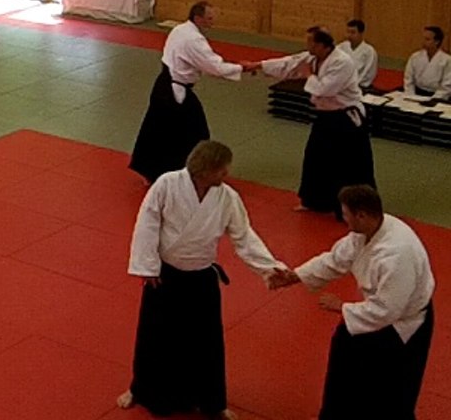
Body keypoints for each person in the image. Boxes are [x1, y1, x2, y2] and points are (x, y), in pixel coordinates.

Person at [119, 141, 286, 420]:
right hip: (164, 275)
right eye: (222, 169)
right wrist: (147, 267)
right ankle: (141, 390)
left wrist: (270, 268)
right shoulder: (168, 184)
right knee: (156, 337)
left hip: (200, 277)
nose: (227, 173)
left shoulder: (227, 197)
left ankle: (212, 402)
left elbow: (243, 236)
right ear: (205, 170)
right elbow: (147, 223)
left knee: (205, 342)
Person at [269, 185, 435, 420]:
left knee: (392, 387)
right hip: (376, 311)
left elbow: (387, 309)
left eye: (346, 214)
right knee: (345, 352)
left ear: (362, 215)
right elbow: (336, 259)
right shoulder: (365, 231)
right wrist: (295, 276)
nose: (343, 219)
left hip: (403, 323)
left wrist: (342, 307)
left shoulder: (397, 254)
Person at [245, 28, 375, 216]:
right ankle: (316, 202)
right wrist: (256, 65)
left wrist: (308, 75)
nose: (308, 47)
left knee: (347, 165)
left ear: (323, 45)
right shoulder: (312, 58)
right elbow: (288, 64)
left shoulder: (343, 62)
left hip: (346, 119)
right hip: (326, 116)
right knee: (316, 158)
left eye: (311, 44)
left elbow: (324, 89)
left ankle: (356, 208)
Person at [129, 2, 243, 184]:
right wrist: (242, 68)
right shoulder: (193, 40)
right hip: (174, 92)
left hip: (164, 86)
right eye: (209, 18)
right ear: (198, 18)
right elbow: (215, 66)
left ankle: (152, 171)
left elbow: (203, 64)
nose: (212, 23)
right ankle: (196, 171)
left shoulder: (180, 29)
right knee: (195, 131)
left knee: (158, 129)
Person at [402, 25, 450, 99]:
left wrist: (433, 100)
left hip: (436, 96)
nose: (423, 42)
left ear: (437, 42)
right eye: (423, 39)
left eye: (427, 39)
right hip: (416, 93)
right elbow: (408, 79)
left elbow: (447, 86)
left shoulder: (447, 60)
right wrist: (410, 96)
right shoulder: (415, 56)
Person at [342, 19, 378, 89]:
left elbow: (368, 73)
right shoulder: (341, 47)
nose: (349, 35)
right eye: (348, 32)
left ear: (361, 33)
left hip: (361, 86)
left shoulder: (369, 51)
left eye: (353, 33)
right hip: (342, 85)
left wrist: (353, 85)